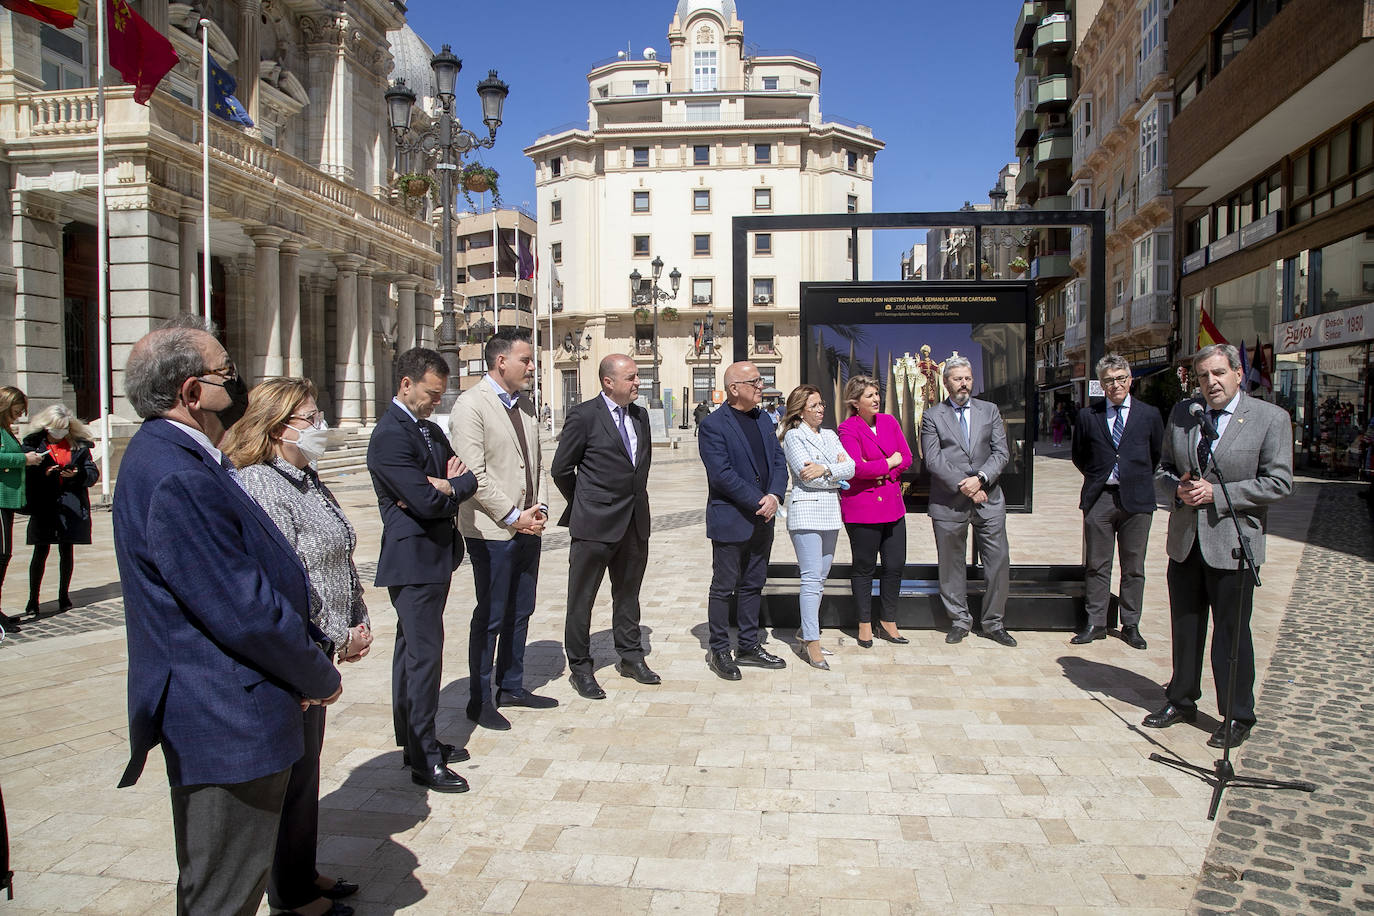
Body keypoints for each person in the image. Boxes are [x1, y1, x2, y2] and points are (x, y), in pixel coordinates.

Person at [112, 316, 342, 914]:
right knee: (223, 893)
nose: (236, 386)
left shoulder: (185, 456)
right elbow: (241, 609)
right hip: (224, 715)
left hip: (233, 705)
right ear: (192, 392)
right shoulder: (174, 473)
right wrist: (317, 673)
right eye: (226, 374)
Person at [224, 378, 372, 916]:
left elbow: (340, 554)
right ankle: (289, 894)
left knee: (307, 772)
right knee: (288, 777)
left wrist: (358, 618)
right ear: (277, 426)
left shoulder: (308, 478)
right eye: (310, 418)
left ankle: (301, 871)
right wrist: (333, 636)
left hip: (325, 645)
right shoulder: (262, 484)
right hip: (295, 651)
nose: (321, 427)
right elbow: (288, 579)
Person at [1144, 343, 1293, 749]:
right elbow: (1162, 470)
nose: (1211, 382)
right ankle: (1181, 699)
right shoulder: (1182, 415)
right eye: (1203, 375)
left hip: (1233, 545)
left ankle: (1237, 714)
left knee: (1231, 635)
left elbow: (1279, 482)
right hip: (1186, 543)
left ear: (1238, 373)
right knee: (1186, 628)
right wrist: (1178, 490)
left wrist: (1217, 495)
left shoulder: (1270, 419)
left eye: (1219, 373)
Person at [368, 347, 477, 792]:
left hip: (434, 554)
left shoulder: (429, 430)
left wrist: (448, 484)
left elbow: (467, 479)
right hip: (412, 561)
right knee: (423, 658)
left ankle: (416, 741)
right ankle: (423, 758)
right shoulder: (391, 435)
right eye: (431, 393)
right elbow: (426, 500)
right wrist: (443, 488)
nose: (437, 402)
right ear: (406, 383)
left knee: (411, 654)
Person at [448, 329, 554, 731]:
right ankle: (480, 697)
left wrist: (539, 507)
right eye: (526, 360)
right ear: (501, 362)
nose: (531, 367)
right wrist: (513, 516)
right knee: (491, 615)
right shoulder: (471, 406)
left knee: (521, 609)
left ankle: (512, 684)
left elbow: (539, 462)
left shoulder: (524, 406)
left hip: (528, 526)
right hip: (492, 532)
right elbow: (474, 472)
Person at [551, 354, 659, 698]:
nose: (638, 382)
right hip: (594, 526)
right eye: (631, 377)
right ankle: (581, 667)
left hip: (634, 523)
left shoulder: (640, 416)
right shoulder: (584, 416)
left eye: (638, 376)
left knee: (628, 596)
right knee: (581, 600)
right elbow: (560, 470)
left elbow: (639, 468)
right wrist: (584, 504)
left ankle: (630, 656)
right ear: (608, 382)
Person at [699, 361, 789, 680]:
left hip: (764, 518)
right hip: (732, 519)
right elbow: (722, 475)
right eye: (755, 381)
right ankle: (720, 649)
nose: (760, 386)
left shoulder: (763, 419)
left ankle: (749, 646)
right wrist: (758, 500)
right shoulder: (713, 425)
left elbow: (778, 461)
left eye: (760, 380)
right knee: (724, 587)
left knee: (753, 583)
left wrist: (775, 495)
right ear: (735, 388)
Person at [919, 356, 1016, 647]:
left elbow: (1002, 452)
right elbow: (934, 460)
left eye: (968, 378)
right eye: (957, 378)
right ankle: (959, 621)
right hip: (949, 501)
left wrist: (982, 479)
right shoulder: (933, 416)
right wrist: (969, 487)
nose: (964, 383)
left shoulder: (990, 411)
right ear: (946, 382)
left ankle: (993, 623)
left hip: (990, 497)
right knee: (951, 564)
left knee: (997, 562)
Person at [1071, 354, 1164, 649]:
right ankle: (1096, 622)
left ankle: (1131, 624)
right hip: (1100, 498)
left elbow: (1157, 454)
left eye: (1121, 378)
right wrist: (1101, 476)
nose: (1116, 385)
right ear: (1101, 384)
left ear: (1130, 380)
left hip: (1137, 500)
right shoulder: (1089, 416)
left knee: (1134, 565)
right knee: (1098, 564)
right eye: (1109, 380)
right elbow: (1079, 455)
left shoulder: (1149, 415)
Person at [779, 384, 854, 669]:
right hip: (806, 513)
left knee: (821, 577)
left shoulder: (831, 435)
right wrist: (836, 472)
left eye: (822, 404)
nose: (821, 409)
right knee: (811, 578)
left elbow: (852, 467)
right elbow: (805, 476)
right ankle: (812, 639)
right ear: (800, 410)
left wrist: (826, 469)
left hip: (830, 513)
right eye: (814, 405)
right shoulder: (793, 437)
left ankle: (804, 631)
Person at [836, 375, 911, 648]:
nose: (876, 399)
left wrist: (879, 470)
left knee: (894, 565)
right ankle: (865, 623)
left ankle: (888, 620)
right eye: (869, 395)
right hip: (863, 508)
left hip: (893, 505)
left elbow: (907, 457)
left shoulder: (889, 422)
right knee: (864, 567)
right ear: (855, 402)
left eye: (877, 394)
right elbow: (855, 468)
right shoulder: (847, 429)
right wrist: (889, 463)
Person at [21, 405, 99, 617]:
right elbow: (24, 473)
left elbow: (92, 474)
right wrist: (44, 472)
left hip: (71, 504)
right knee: (40, 551)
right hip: (45, 505)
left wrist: (76, 474)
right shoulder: (33, 444)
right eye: (56, 428)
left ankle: (64, 595)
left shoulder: (78, 446)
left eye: (64, 428)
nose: (59, 432)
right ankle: (32, 599)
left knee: (67, 550)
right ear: (47, 427)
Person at [0, 387, 42, 634]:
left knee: (4, 555)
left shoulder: (6, 429)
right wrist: (24, 460)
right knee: (1, 555)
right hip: (0, 500)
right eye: (18, 409)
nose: (20, 414)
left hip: (7, 500)